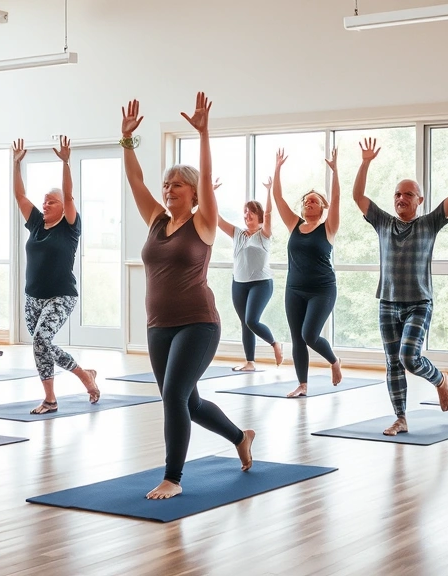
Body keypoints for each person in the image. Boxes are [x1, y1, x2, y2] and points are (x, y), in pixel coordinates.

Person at [122, 95, 255, 500]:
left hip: (198, 323)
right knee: (187, 402)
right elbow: (136, 182)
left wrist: (203, 133)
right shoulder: (156, 219)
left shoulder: (204, 222)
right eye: (167, 184)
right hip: (157, 326)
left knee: (175, 397)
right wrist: (127, 140)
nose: (167, 189)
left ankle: (173, 477)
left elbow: (206, 175)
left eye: (176, 184)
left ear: (194, 192)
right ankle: (240, 436)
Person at [351, 135, 448, 435]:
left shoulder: (429, 223)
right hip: (387, 301)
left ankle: (439, 380)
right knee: (392, 363)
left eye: (408, 194)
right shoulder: (382, 222)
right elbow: (357, 195)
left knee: (409, 357)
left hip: (419, 302)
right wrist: (365, 163)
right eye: (397, 194)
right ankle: (401, 417)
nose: (401, 199)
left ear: (419, 200)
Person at [12, 135, 99, 414]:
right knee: (41, 347)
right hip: (33, 297)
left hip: (62, 295)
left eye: (51, 201)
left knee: (41, 341)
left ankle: (83, 376)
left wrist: (65, 162)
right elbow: (19, 196)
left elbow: (69, 194)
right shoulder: (37, 223)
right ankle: (50, 399)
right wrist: (15, 165)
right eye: (45, 201)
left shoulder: (70, 227)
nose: (45, 205)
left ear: (63, 207)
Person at [272, 148, 343, 397]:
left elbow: (336, 198)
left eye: (314, 200)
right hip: (294, 289)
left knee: (310, 334)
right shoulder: (294, 224)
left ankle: (334, 361)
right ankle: (302, 385)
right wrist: (278, 167)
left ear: (322, 207)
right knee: (297, 338)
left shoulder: (328, 227)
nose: (308, 203)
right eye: (305, 201)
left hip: (322, 290)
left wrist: (334, 171)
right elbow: (278, 198)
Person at [215, 176, 284, 371]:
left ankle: (274, 344)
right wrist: (211, 193)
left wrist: (269, 191)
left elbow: (270, 214)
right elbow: (217, 219)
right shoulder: (237, 233)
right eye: (245, 212)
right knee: (245, 324)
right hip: (238, 283)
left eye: (251, 212)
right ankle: (250, 362)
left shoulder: (264, 234)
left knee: (251, 320)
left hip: (261, 283)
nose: (247, 215)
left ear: (259, 215)